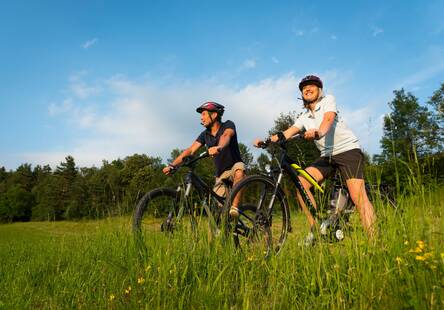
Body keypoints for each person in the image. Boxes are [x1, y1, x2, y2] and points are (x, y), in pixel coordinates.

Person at [254, 75, 376, 242]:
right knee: (302, 183)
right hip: (327, 157)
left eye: (312, 86)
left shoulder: (328, 101)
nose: (307, 89)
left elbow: (328, 119)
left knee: (358, 197)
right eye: (304, 88)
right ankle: (317, 229)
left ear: (320, 90)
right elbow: (287, 133)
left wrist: (318, 132)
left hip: (347, 151)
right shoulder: (304, 117)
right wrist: (267, 141)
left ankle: (375, 240)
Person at [163, 101, 246, 217]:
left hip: (234, 166)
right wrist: (173, 165)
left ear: (214, 115)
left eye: (204, 114)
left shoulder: (228, 125)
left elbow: (226, 135)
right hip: (220, 175)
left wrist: (219, 147)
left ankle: (234, 209)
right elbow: (190, 150)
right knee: (219, 214)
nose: (201, 118)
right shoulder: (205, 135)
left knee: (239, 172)